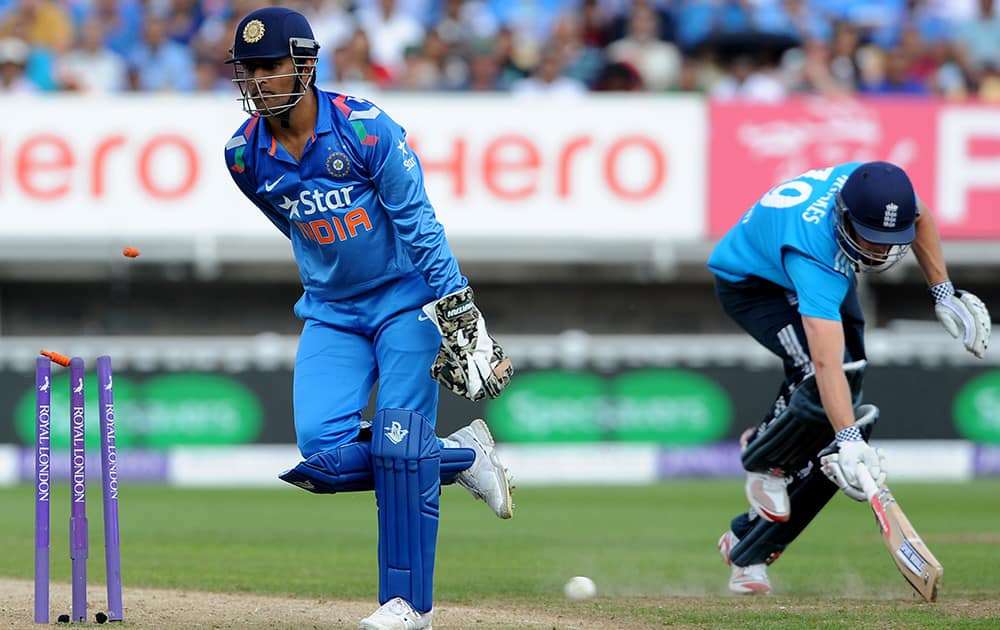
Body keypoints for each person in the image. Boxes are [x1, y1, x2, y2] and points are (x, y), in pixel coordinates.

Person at [222, 8, 515, 629]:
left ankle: (410, 607)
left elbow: (419, 224)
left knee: (399, 446)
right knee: (321, 455)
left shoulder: (367, 129)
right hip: (331, 313)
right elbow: (296, 229)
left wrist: (458, 310)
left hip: (407, 303)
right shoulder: (244, 157)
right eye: (247, 70)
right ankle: (462, 455)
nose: (257, 81)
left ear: (305, 65)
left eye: (270, 67)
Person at [707, 161, 991, 594]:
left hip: (817, 269)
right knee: (819, 379)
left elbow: (922, 216)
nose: (878, 253)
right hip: (753, 283)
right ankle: (764, 455)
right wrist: (849, 440)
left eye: (888, 243)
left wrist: (941, 290)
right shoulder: (814, 254)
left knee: (846, 401)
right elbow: (824, 366)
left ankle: (746, 546)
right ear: (843, 218)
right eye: (870, 240)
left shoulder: (882, 193)